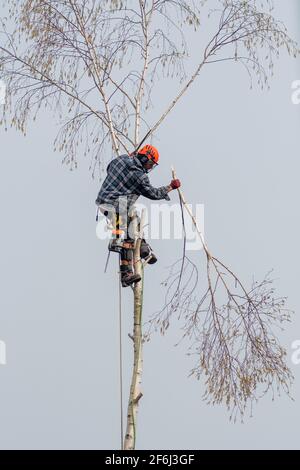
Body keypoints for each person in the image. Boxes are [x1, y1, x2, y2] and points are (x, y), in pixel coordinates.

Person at [96, 144, 181, 287]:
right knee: (129, 234)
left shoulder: (121, 159)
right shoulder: (139, 177)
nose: (149, 168)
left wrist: (129, 158)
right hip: (118, 207)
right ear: (144, 159)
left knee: (136, 221)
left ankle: (143, 248)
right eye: (149, 164)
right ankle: (126, 273)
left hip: (102, 203)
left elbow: (109, 168)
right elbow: (154, 194)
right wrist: (170, 187)